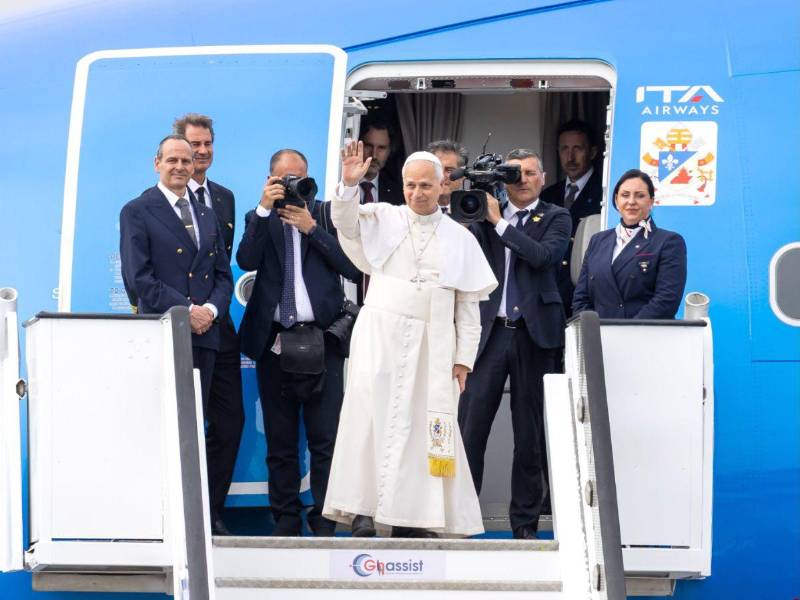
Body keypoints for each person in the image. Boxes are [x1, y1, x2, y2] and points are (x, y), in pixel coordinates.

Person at [323, 142, 497, 538]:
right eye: (409, 185)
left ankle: (418, 516)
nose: (416, 193)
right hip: (380, 336)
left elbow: (469, 308)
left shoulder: (461, 238)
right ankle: (364, 511)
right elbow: (346, 223)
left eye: (425, 186)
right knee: (370, 420)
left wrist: (464, 360)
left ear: (443, 187)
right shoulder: (383, 217)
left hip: (433, 345)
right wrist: (348, 186)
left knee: (427, 427)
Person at [236, 149, 360, 537]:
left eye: (300, 177)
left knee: (325, 438)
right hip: (275, 342)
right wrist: (261, 209)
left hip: (323, 339)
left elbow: (351, 266)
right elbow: (245, 259)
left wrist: (312, 229)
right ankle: (286, 520)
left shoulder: (324, 214)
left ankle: (324, 519)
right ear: (270, 179)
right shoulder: (259, 217)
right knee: (280, 439)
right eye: (284, 178)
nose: (293, 185)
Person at [458, 149, 571, 540]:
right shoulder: (482, 215)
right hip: (489, 334)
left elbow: (543, 256)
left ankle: (524, 525)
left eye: (528, 173)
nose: (520, 179)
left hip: (534, 335)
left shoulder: (556, 216)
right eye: (512, 173)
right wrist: (480, 206)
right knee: (471, 429)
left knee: (529, 434)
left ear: (542, 177)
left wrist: (499, 223)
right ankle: (463, 516)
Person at [119, 135, 233, 476]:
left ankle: (201, 518)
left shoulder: (207, 215)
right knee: (166, 427)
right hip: (165, 334)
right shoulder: (137, 211)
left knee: (196, 427)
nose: (180, 167)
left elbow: (223, 277)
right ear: (157, 164)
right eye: (173, 160)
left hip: (205, 337)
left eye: (186, 161)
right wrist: (187, 311)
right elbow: (139, 278)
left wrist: (210, 312)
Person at [172, 113, 243, 536]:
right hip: (181, 327)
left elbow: (223, 266)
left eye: (206, 145)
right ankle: (184, 515)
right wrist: (189, 311)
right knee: (184, 425)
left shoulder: (225, 198)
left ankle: (212, 510)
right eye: (193, 145)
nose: (200, 153)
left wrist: (214, 311)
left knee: (229, 420)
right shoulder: (156, 204)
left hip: (220, 326)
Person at [572, 169, 687, 318]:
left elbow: (666, 301)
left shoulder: (668, 242)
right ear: (616, 200)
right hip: (600, 336)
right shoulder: (598, 241)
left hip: (645, 335)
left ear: (651, 201)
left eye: (640, 196)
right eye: (625, 195)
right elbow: (581, 297)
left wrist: (629, 330)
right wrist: (591, 328)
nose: (631, 201)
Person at [540, 119, 603, 316]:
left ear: (592, 152)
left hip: (587, 294)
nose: (571, 157)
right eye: (564, 149)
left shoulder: (606, 191)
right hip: (551, 294)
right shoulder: (548, 195)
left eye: (578, 148)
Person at [357, 120, 404, 205]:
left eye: (381, 148)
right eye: (368, 146)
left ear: (389, 151)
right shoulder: (342, 184)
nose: (374, 155)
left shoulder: (397, 192)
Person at [428, 139, 468, 211]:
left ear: (462, 176)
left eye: (449, 170)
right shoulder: (412, 212)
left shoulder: (472, 212)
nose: (442, 176)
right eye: (437, 169)